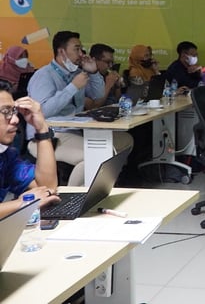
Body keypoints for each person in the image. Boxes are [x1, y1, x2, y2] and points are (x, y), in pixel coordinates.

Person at [27, 31, 133, 186]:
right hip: (49, 135)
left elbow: (97, 95)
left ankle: (98, 189)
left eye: (81, 49)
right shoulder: (44, 76)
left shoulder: (76, 73)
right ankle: (72, 202)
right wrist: (72, 87)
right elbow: (42, 112)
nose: (81, 53)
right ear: (62, 51)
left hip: (76, 129)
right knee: (95, 155)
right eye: (76, 49)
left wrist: (94, 72)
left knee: (126, 140)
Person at [0, 80, 60, 218]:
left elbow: (47, 187)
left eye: (13, 111)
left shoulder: (6, 155)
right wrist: (22, 204)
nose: (15, 120)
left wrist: (41, 129)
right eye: (6, 112)